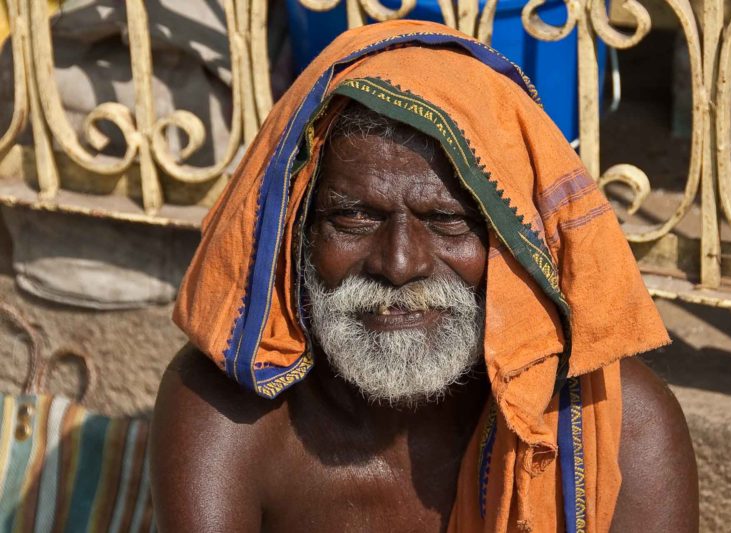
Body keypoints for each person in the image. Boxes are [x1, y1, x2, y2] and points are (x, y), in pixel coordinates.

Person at [150, 20, 698, 532]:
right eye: (353, 218)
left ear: (515, 246)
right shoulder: (230, 413)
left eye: (447, 221)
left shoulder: (623, 428)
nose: (399, 264)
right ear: (296, 233)